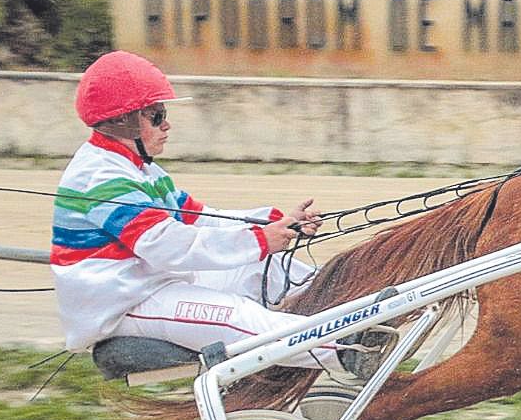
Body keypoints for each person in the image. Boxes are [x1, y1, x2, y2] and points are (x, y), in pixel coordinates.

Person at [51, 50, 381, 377]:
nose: (167, 125)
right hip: (123, 307)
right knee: (231, 316)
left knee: (264, 266)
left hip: (154, 284)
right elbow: (170, 248)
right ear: (122, 120)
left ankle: (359, 305)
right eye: (156, 116)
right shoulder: (101, 177)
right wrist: (260, 240)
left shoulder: (140, 170)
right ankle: (347, 348)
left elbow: (200, 218)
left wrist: (270, 223)